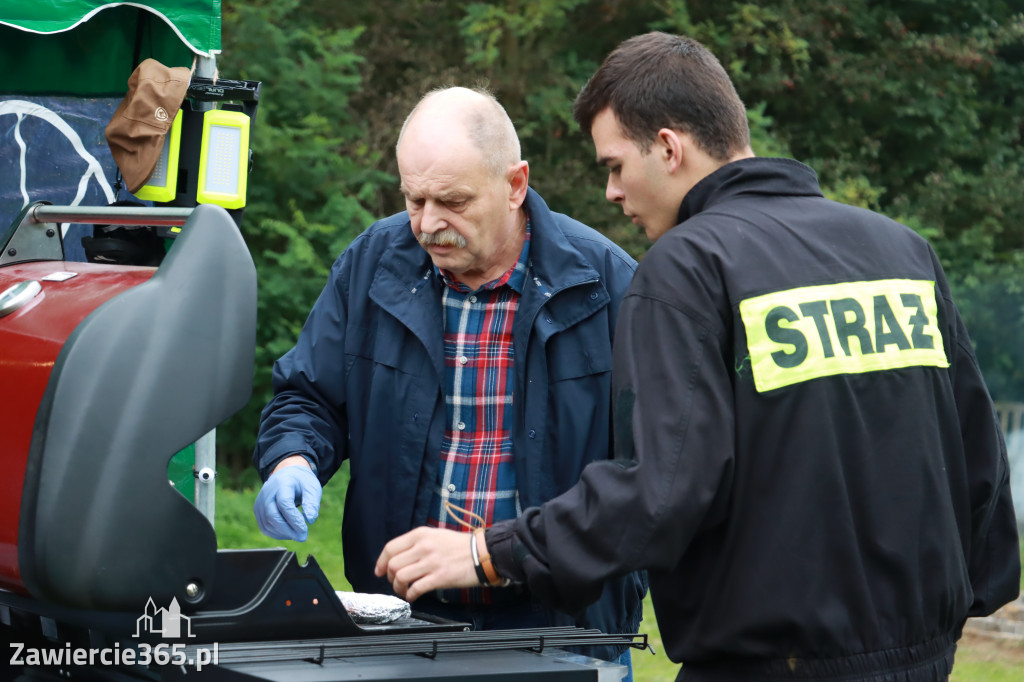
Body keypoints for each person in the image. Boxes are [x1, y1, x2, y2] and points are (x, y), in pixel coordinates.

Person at [375, 33, 1022, 681]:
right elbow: (979, 463)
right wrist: (952, 613)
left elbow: (659, 491)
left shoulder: (689, 267)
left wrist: (490, 552)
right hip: (923, 658)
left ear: (668, 147)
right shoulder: (900, 252)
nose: (611, 193)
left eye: (615, 165)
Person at [251, 86, 645, 670]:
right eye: (414, 200)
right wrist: (292, 459)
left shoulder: (608, 287)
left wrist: (499, 554)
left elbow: (646, 481)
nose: (428, 224)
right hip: (401, 625)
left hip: (562, 632)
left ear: (515, 185)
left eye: (453, 201)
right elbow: (309, 396)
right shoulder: (371, 265)